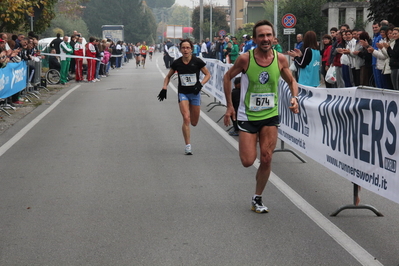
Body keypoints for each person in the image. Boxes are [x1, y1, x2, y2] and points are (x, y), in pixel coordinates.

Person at [223, 20, 299, 213]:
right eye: (261, 36)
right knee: (248, 161)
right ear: (255, 39)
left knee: (266, 158)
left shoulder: (280, 59)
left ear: (273, 38)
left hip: (270, 115)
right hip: (247, 116)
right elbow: (227, 77)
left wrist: (295, 98)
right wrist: (230, 106)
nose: (265, 39)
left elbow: (292, 81)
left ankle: (257, 198)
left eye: (268, 35)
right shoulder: (245, 59)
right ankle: (252, 151)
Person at [157, 39, 211, 155]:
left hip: (195, 93)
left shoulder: (197, 61)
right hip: (183, 93)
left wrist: (200, 84)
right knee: (186, 118)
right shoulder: (177, 63)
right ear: (180, 49)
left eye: (187, 47)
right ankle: (188, 145)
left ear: (191, 49)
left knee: (194, 122)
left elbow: (208, 74)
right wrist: (164, 87)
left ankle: (191, 121)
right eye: (183, 48)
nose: (185, 50)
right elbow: (168, 76)